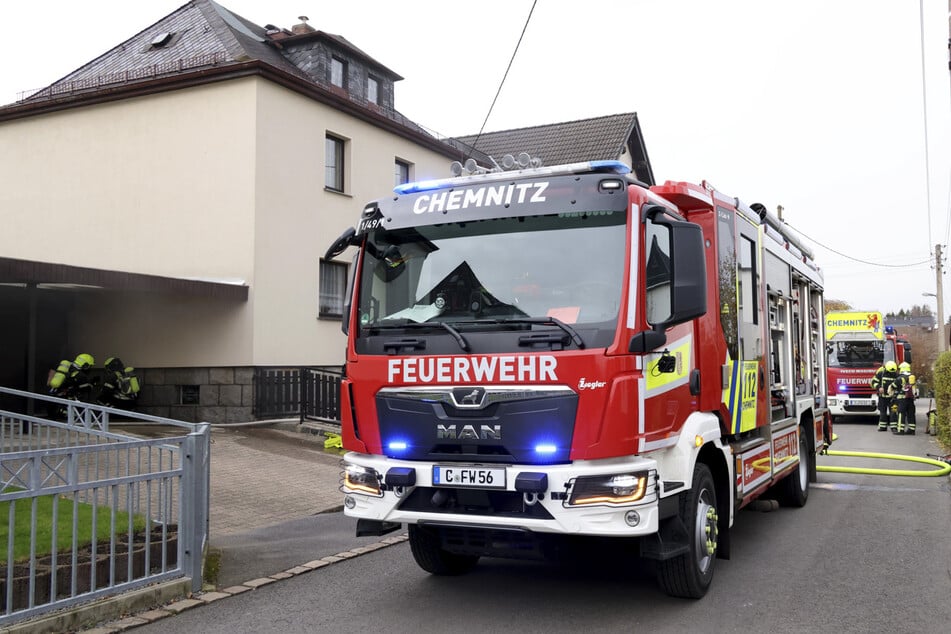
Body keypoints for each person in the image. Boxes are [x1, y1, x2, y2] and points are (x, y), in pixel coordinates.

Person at [870, 360, 899, 432]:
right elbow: (873, 382)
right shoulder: (881, 374)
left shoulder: (896, 375)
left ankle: (894, 427)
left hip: (893, 398)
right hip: (882, 397)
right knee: (883, 412)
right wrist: (879, 387)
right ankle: (883, 427)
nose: (892, 373)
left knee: (893, 412)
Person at [894, 361, 918, 435]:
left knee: (901, 413)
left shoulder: (900, 378)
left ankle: (900, 430)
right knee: (911, 414)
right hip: (910, 399)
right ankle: (912, 429)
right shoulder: (912, 377)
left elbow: (893, 386)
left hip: (902, 400)